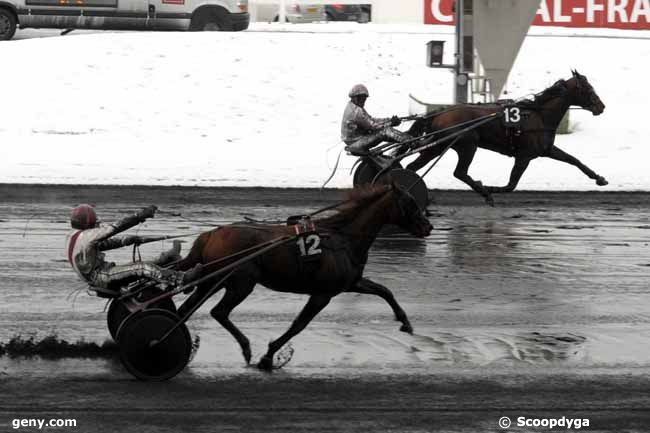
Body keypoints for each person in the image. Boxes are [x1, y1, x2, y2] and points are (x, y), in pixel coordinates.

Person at [67, 204, 201, 293]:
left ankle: (168, 257)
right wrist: (140, 216)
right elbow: (115, 228)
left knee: (141, 266)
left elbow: (104, 244)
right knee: (142, 268)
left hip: (97, 276)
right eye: (95, 221)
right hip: (101, 277)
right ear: (88, 223)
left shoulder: (75, 236)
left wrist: (128, 240)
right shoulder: (87, 235)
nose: (98, 223)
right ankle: (182, 280)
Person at [341, 84, 413, 155]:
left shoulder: (352, 106)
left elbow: (371, 119)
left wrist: (389, 120)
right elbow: (373, 126)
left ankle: (407, 140)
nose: (364, 101)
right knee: (385, 131)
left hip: (354, 140)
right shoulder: (356, 111)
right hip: (357, 143)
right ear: (356, 97)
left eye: (364, 99)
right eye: (363, 99)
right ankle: (412, 142)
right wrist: (391, 123)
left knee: (385, 130)